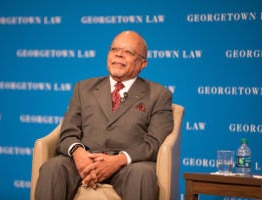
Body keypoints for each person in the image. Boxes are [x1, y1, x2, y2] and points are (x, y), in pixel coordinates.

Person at [35, 30, 173, 200]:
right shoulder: (83, 88)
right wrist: (79, 154)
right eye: (114, 50)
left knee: (143, 174)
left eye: (128, 52)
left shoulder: (159, 94)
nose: (119, 55)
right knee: (53, 167)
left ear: (142, 63)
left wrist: (119, 160)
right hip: (85, 161)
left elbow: (154, 143)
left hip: (127, 166)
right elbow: (68, 133)